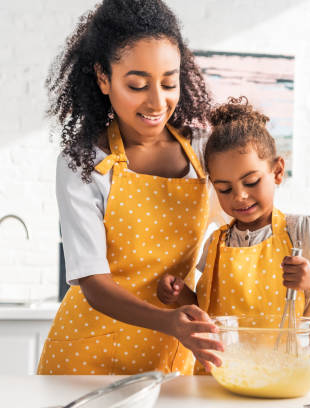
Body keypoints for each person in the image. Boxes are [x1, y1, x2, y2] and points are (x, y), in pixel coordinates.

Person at [37, 0, 226, 375]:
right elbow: (93, 283)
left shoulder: (206, 151)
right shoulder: (83, 163)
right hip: (86, 357)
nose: (158, 102)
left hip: (171, 353)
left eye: (169, 82)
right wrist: (169, 320)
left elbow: (252, 231)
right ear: (103, 78)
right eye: (137, 85)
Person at [157, 97, 310, 372]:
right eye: (224, 189)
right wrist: (179, 294)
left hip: (282, 373)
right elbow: (209, 310)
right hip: (221, 374)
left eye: (251, 182)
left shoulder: (301, 230)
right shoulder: (216, 243)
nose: (240, 196)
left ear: (278, 171)